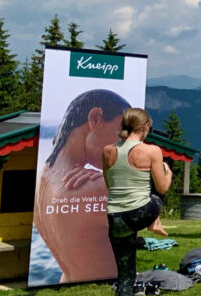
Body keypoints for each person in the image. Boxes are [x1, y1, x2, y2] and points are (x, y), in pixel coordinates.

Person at [34, 89, 131, 283]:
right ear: (95, 118)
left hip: (69, 280)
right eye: (121, 135)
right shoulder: (97, 186)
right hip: (107, 285)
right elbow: (147, 213)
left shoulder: (42, 181)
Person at [102, 108, 172, 296]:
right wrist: (168, 174)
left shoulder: (108, 151)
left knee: (125, 277)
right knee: (157, 194)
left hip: (116, 218)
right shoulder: (152, 151)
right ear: (144, 127)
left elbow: (108, 183)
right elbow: (161, 188)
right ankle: (154, 222)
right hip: (142, 212)